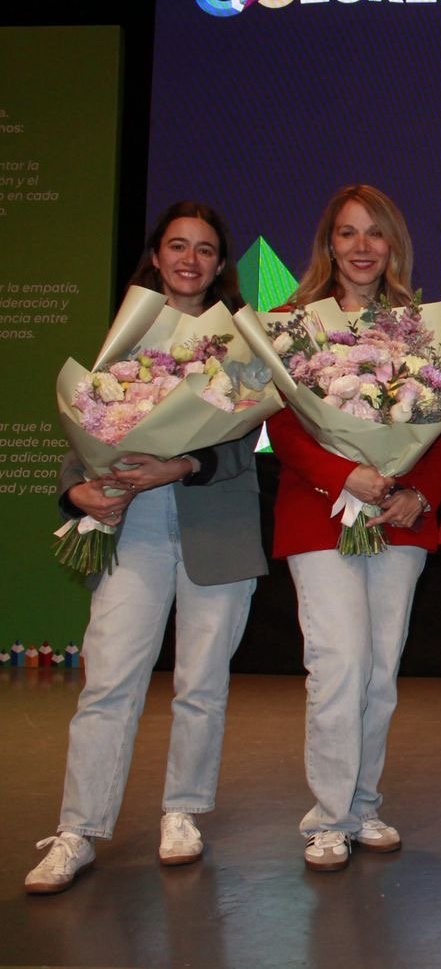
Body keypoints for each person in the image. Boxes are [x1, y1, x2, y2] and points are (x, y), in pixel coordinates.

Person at [26, 202, 266, 895]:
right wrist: (76, 491)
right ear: (156, 257)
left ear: (220, 265)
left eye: (205, 249)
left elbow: (244, 444)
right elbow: (88, 427)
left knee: (202, 682)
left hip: (217, 524)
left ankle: (182, 813)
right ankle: (77, 829)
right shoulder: (127, 336)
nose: (190, 260)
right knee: (109, 680)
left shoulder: (244, 343)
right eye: (177, 246)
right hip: (131, 521)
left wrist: (183, 464)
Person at [269, 185, 441, 871]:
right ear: (329, 243)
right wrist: (344, 476)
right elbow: (284, 424)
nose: (362, 247)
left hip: (398, 518)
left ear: (393, 244)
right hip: (320, 513)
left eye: (375, 233)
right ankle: (328, 817)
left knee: (379, 671)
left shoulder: (419, 326)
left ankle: (363, 804)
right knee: (339, 663)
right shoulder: (293, 322)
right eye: (348, 233)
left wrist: (418, 494)